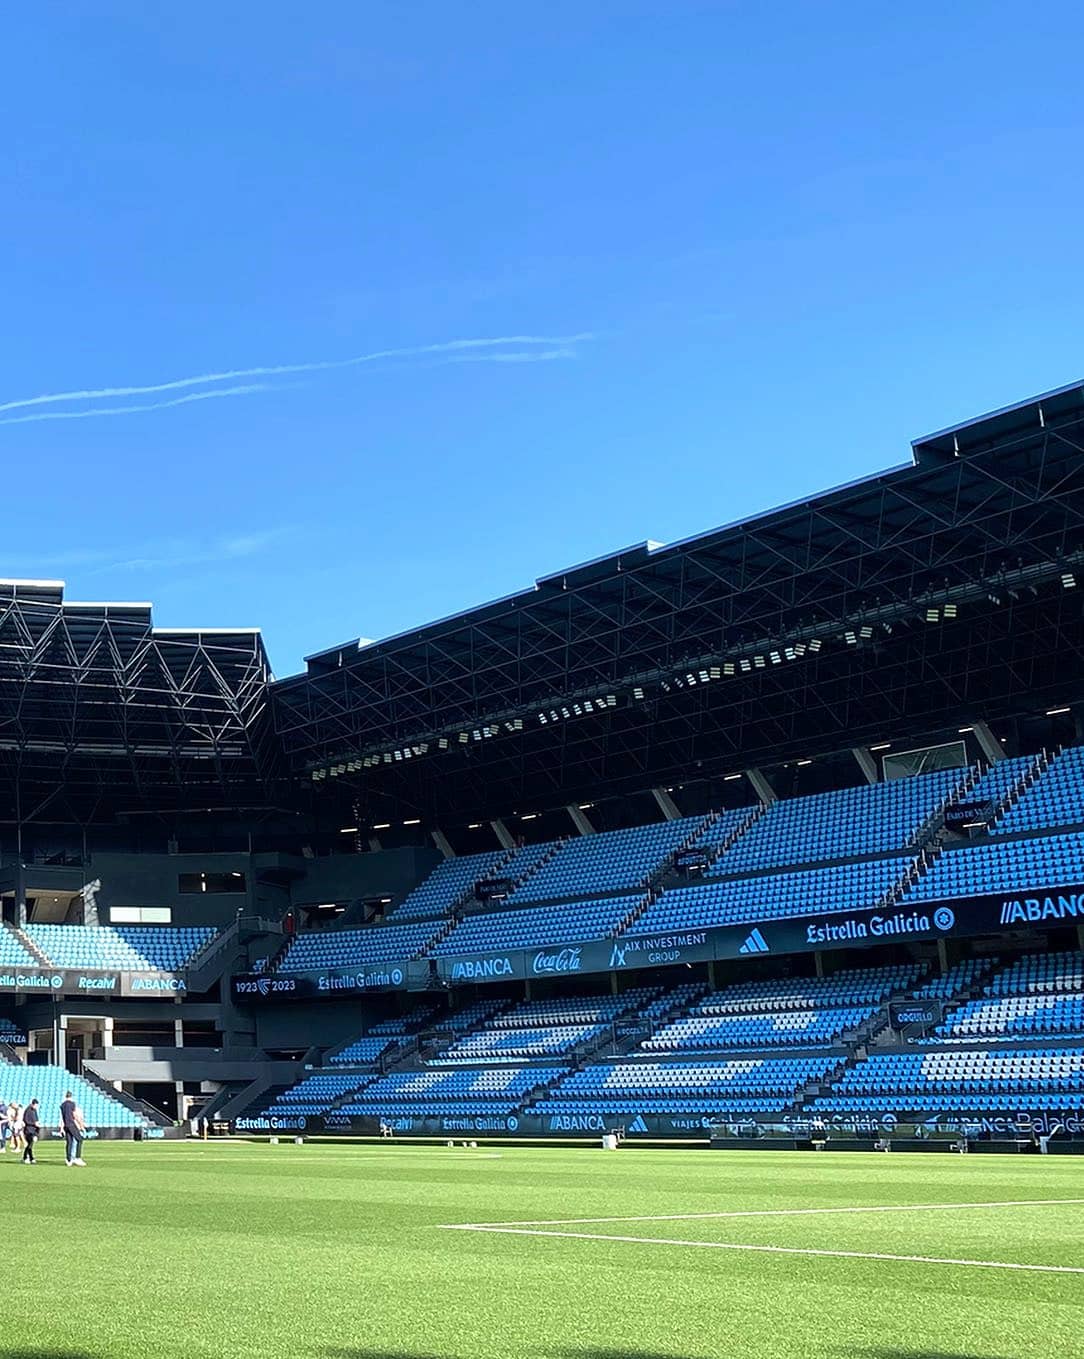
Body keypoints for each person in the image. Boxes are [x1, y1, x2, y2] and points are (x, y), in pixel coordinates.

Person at [60, 1091, 87, 1167]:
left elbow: (62, 1117)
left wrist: (62, 1127)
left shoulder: (62, 1105)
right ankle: (77, 1158)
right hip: (71, 1124)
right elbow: (74, 1115)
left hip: (66, 1125)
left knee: (69, 1142)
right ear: (71, 1096)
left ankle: (68, 1159)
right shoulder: (72, 1104)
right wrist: (81, 1125)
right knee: (80, 1139)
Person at [21, 1099, 39, 1164]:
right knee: (30, 1144)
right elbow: (26, 1120)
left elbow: (36, 1119)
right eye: (35, 1105)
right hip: (28, 1130)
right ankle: (27, 1157)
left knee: (30, 1144)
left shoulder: (34, 1110)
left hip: (33, 1130)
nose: (36, 1107)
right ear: (32, 1104)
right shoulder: (28, 1110)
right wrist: (34, 1123)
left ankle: (29, 1157)